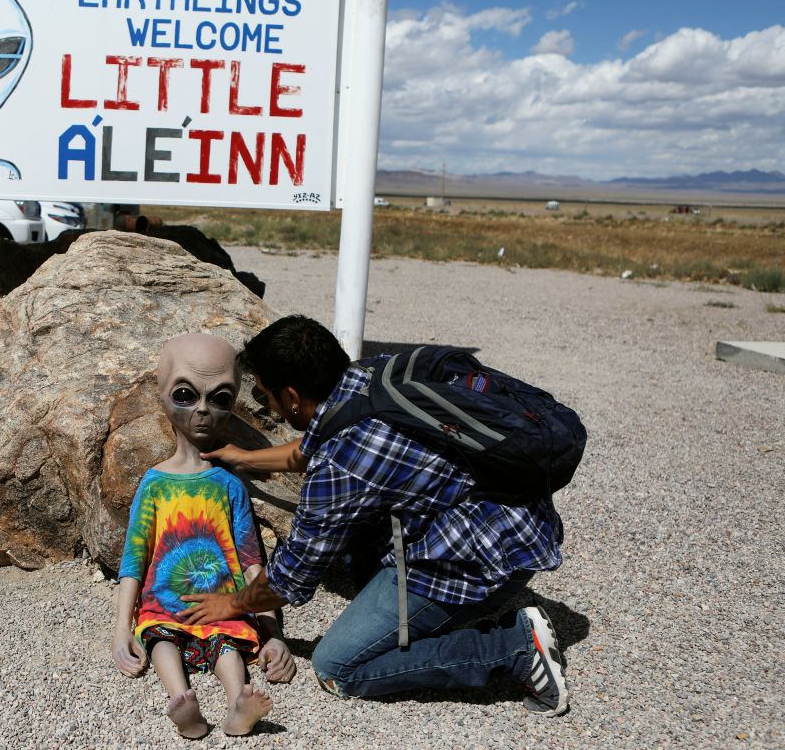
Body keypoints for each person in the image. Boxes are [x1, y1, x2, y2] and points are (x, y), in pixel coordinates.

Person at [179, 315, 569, 717]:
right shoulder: (366, 375)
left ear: (292, 396)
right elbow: (312, 446)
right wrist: (245, 457)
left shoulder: (341, 465)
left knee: (339, 666)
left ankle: (514, 648)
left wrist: (232, 604)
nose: (268, 406)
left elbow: (292, 578)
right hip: (515, 522)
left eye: (265, 397)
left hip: (485, 560)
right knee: (355, 552)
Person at [112, 333, 296, 740]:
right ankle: (182, 702)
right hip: (164, 602)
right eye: (185, 394)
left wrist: (273, 634)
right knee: (161, 639)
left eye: (220, 398)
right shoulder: (155, 482)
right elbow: (134, 558)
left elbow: (251, 561)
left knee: (228, 644)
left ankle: (238, 704)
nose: (201, 410)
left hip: (224, 603)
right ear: (161, 394)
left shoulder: (229, 484)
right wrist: (122, 629)